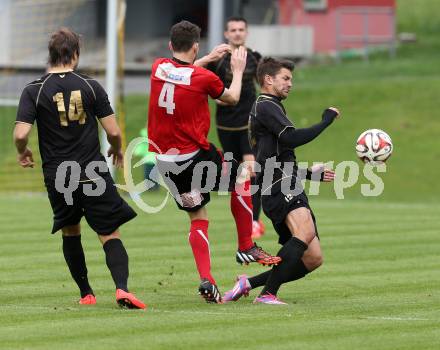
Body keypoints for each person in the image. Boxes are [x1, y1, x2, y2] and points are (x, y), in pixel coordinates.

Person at [147, 21, 280, 304]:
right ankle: (246, 246)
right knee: (243, 179)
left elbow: (184, 70)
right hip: (194, 156)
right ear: (196, 45)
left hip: (165, 163)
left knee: (198, 217)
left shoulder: (158, 67)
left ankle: (206, 278)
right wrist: (238, 70)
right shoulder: (203, 79)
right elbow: (231, 97)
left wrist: (207, 59)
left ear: (171, 45)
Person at [13, 28, 145, 309]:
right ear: (75, 54)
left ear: (50, 54)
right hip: (92, 171)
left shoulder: (34, 90)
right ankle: (122, 289)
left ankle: (87, 293)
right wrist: (117, 147)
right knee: (109, 232)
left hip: (58, 174)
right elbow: (112, 130)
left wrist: (22, 151)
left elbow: (21, 134)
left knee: (70, 231)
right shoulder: (90, 86)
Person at [222, 57, 340, 305]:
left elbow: (274, 154)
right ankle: (267, 294)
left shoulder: (269, 106)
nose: (290, 84)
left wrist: (308, 173)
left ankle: (248, 283)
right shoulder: (266, 105)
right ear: (268, 80)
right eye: (285, 78)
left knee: (313, 258)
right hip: (279, 184)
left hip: (282, 179)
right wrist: (326, 121)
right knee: (305, 232)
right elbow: (292, 139)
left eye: (291, 79)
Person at [195, 16, 265, 239]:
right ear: (226, 34)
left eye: (241, 29)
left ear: (246, 32)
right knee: (236, 177)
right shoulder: (219, 60)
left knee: (252, 170)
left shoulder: (254, 57)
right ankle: (243, 222)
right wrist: (219, 96)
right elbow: (208, 87)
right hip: (225, 125)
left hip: (249, 124)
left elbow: (264, 84)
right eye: (233, 30)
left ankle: (254, 221)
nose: (237, 33)